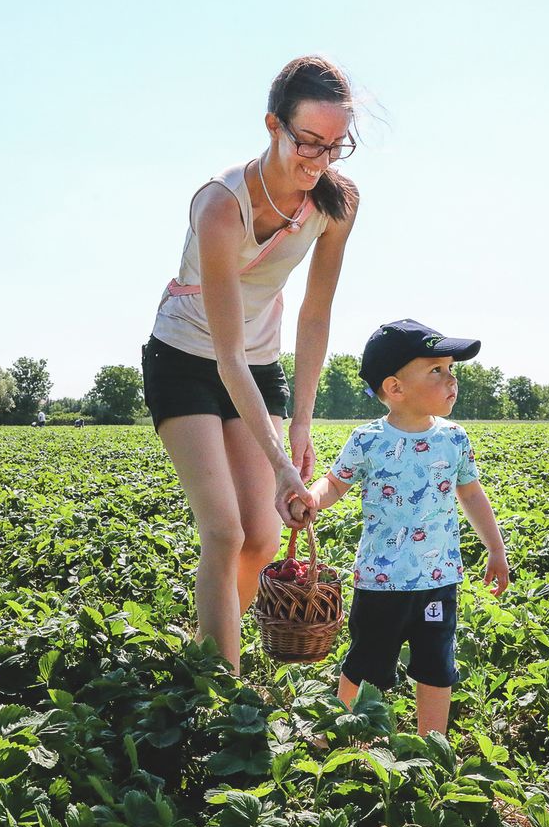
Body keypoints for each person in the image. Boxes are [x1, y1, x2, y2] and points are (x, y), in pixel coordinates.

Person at [142, 55, 361, 673]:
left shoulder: (334, 207)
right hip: (186, 358)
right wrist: (283, 472)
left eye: (335, 147)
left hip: (258, 365)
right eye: (307, 142)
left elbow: (315, 316)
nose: (318, 161)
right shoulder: (219, 206)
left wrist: (301, 427)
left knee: (263, 539)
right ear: (272, 125)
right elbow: (225, 355)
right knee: (225, 530)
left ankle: (211, 647)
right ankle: (218, 691)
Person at [290, 319, 510, 737]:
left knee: (436, 665)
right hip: (381, 580)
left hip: (437, 578)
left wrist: (495, 549)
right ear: (395, 388)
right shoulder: (368, 439)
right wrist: (313, 498)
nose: (452, 380)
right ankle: (341, 731)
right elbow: (335, 482)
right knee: (366, 662)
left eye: (451, 369)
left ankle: (434, 744)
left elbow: (472, 495)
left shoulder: (454, 439)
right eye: (437, 370)